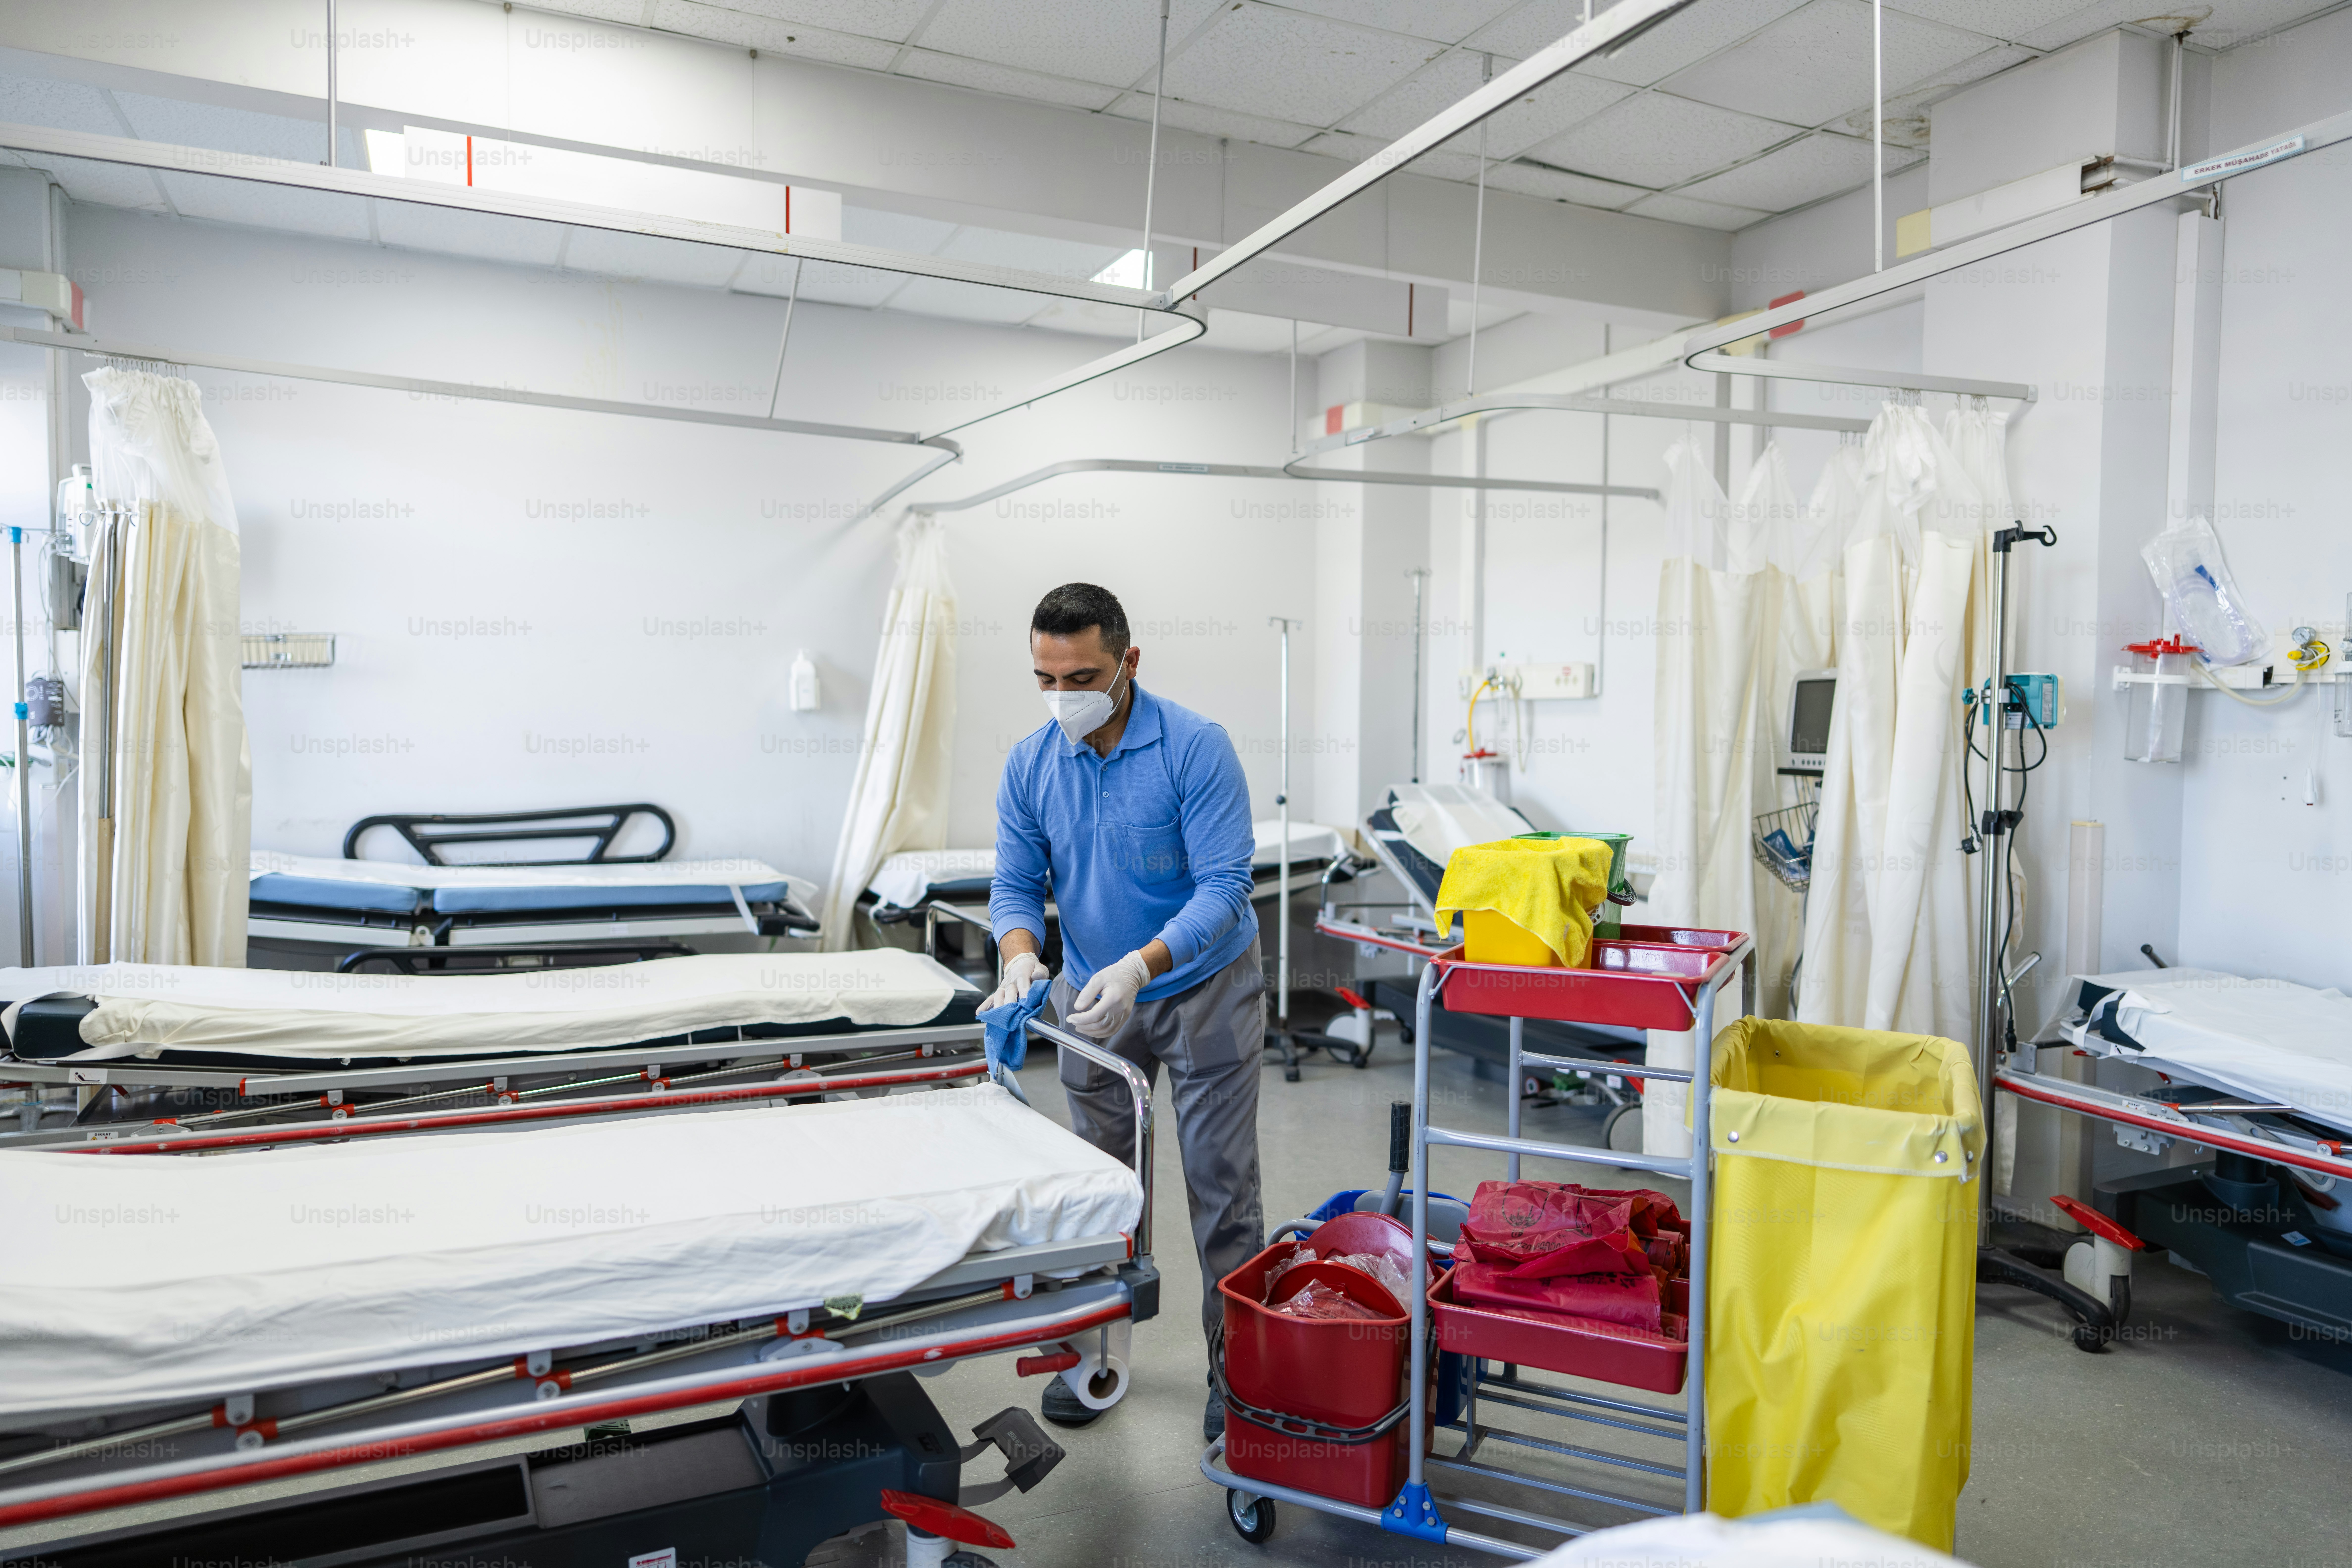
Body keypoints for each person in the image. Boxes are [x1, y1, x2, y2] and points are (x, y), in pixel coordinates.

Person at [985, 582, 1265, 1441]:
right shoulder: (1032, 764)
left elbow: (1225, 887)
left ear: (1129, 662)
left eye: (1082, 676)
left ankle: (1241, 1378)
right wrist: (1022, 954)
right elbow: (1014, 886)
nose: (1062, 696)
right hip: (1091, 1001)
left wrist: (1142, 968)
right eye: (1046, 678)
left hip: (1202, 988)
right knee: (1099, 1192)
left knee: (1222, 1192)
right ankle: (1099, 1356)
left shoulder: (1195, 748)